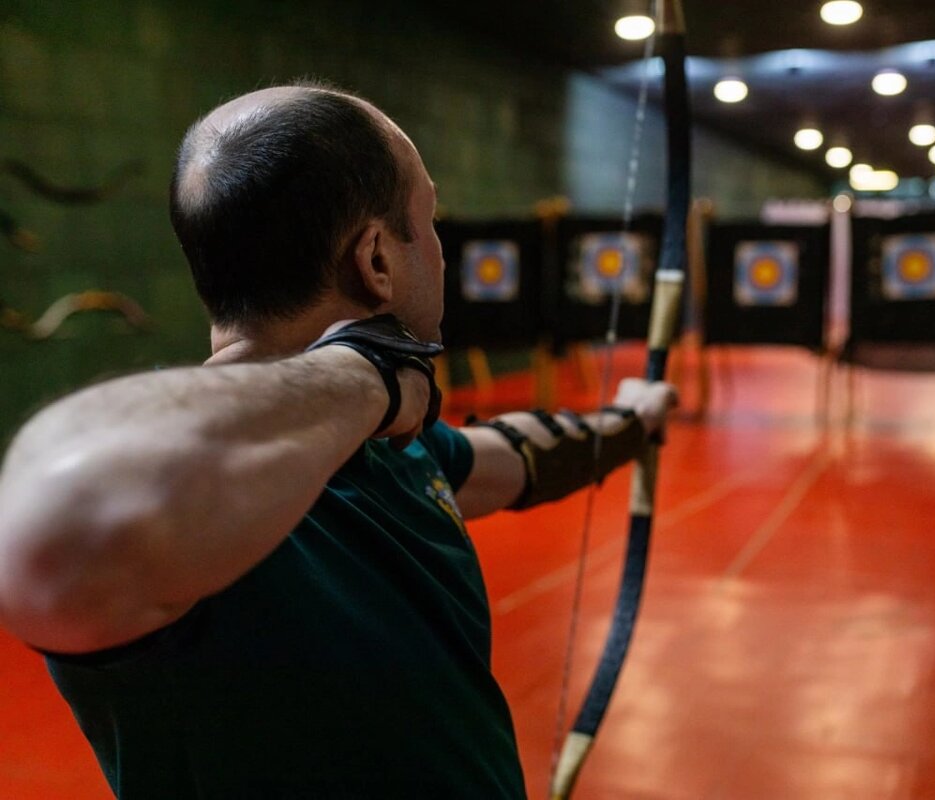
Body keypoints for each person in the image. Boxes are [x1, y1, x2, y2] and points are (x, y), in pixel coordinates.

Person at [0, 84, 676, 799]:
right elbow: (49, 521)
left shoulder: (389, 446)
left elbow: (510, 455)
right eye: (431, 220)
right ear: (376, 261)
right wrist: (369, 369)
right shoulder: (185, 496)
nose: (443, 253)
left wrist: (630, 424)